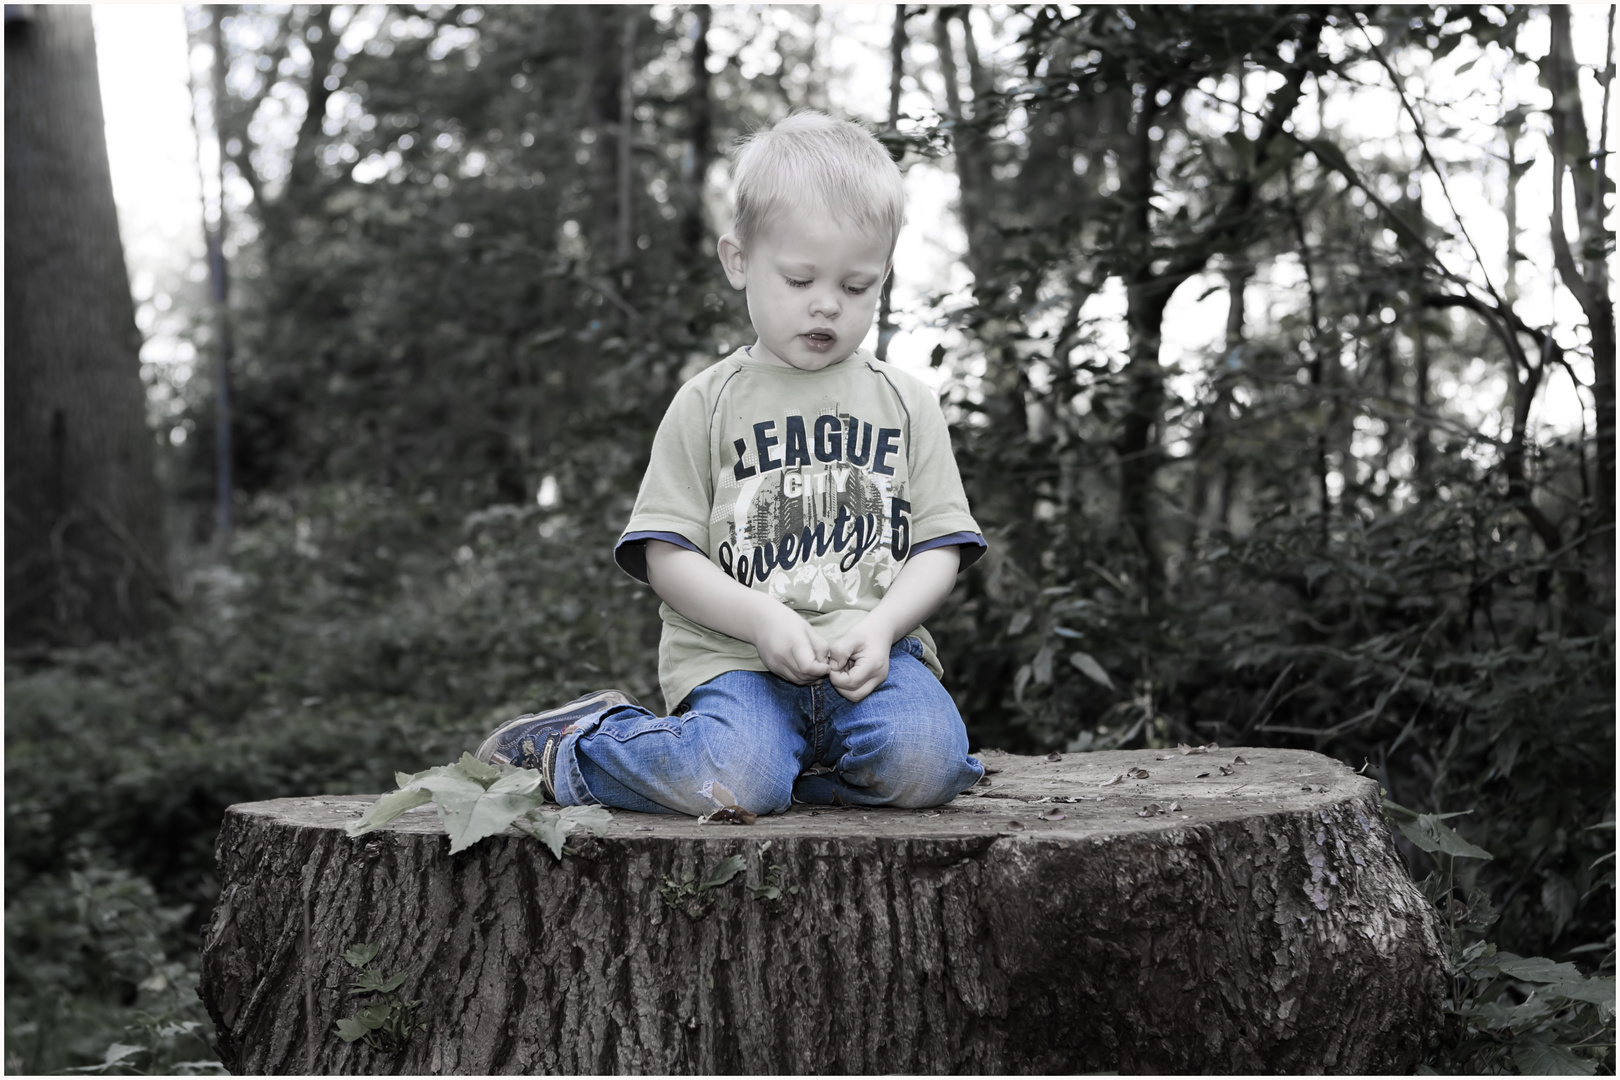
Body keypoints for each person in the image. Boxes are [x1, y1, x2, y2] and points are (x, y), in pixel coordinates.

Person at [475, 111, 987, 816]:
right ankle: (577, 745)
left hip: (875, 661)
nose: (827, 305)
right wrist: (760, 620)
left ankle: (802, 773)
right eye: (800, 278)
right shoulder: (709, 402)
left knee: (929, 767)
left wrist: (883, 625)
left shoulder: (907, 403)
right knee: (735, 780)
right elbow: (663, 553)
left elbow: (940, 547)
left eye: (858, 285)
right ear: (739, 260)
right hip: (735, 661)